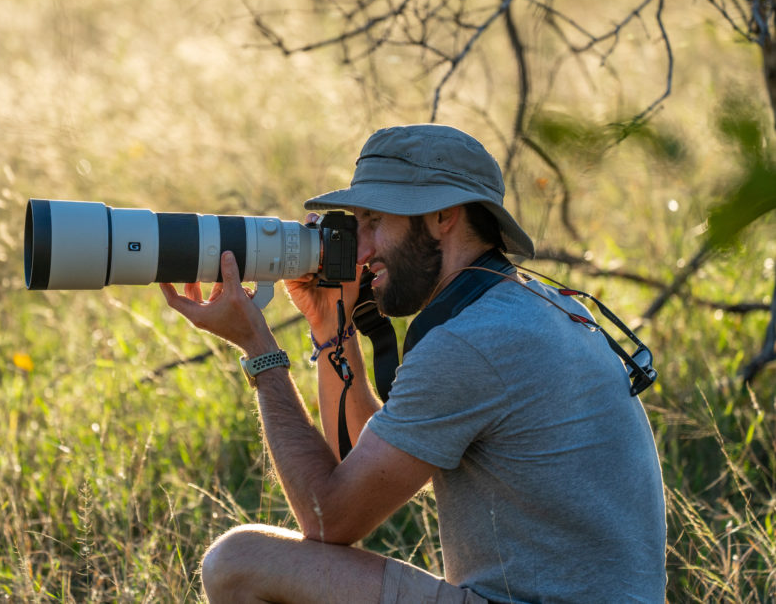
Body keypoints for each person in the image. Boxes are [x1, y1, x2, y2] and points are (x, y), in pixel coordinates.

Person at [160, 124, 666, 603]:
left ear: (443, 216)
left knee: (238, 560)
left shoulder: (472, 343)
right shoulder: (535, 307)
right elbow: (366, 463)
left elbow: (329, 518)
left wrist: (261, 354)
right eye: (355, 226)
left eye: (375, 222)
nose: (359, 250)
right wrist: (331, 331)